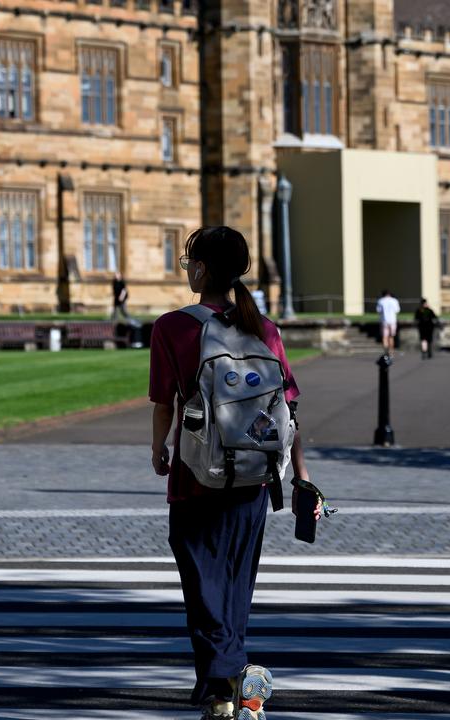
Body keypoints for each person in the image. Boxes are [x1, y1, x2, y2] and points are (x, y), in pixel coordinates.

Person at [150, 226, 322, 720]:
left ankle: (231, 681)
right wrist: (300, 475)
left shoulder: (173, 327)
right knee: (234, 588)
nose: (187, 270)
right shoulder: (264, 328)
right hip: (255, 477)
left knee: (203, 590)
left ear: (202, 269)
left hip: (195, 476)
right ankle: (227, 690)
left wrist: (158, 447)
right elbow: (289, 409)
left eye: (189, 262)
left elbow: (166, 403)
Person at [376, 289, 401, 357]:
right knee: (391, 337)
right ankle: (391, 352)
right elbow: (397, 310)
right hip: (392, 320)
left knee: (385, 337)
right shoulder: (394, 300)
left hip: (384, 321)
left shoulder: (381, 301)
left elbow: (378, 311)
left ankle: (386, 352)